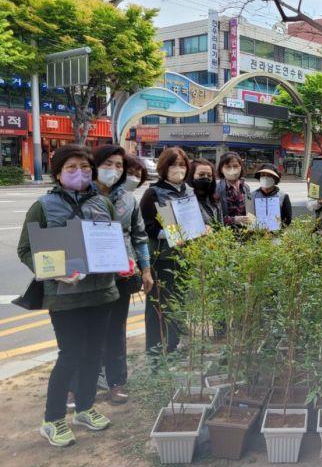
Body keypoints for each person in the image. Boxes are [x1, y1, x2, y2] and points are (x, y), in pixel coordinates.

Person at [17, 144, 117, 447]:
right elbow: (25, 249)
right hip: (64, 296)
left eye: (85, 168)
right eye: (71, 168)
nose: (80, 173)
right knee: (70, 355)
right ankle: (53, 419)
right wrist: (52, 270)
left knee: (94, 354)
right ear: (58, 173)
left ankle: (85, 408)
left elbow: (113, 239)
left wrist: (122, 260)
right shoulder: (43, 206)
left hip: (101, 293)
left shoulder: (103, 202)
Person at [92, 146, 154, 405]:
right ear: (94, 165)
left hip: (122, 273)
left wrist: (146, 269)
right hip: (89, 275)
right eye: (109, 164)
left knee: (116, 329)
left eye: (119, 166)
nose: (115, 171)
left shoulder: (128, 199)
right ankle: (79, 383)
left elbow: (139, 236)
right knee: (86, 330)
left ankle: (117, 383)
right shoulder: (81, 196)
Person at [139, 147, 193, 357]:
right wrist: (170, 234)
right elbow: (145, 227)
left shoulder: (188, 191)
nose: (178, 169)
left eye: (182, 164)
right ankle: (155, 352)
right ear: (164, 166)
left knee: (178, 304)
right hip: (161, 259)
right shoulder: (153, 192)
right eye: (173, 164)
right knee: (157, 308)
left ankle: (174, 346)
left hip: (184, 257)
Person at [215, 152, 251, 227]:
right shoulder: (217, 189)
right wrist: (234, 220)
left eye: (235, 166)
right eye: (228, 167)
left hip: (246, 232)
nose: (232, 170)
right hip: (227, 234)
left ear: (240, 167)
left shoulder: (245, 187)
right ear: (221, 169)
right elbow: (215, 217)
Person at [252, 162, 292, 228]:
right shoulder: (252, 196)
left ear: (275, 178)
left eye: (269, 175)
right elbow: (249, 216)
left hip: (276, 235)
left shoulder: (283, 196)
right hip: (257, 235)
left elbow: (287, 220)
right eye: (262, 175)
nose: (265, 178)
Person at [188, 158, 223, 225]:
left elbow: (221, 225)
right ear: (191, 176)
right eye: (201, 175)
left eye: (209, 175)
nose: (206, 177)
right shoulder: (186, 201)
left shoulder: (215, 199)